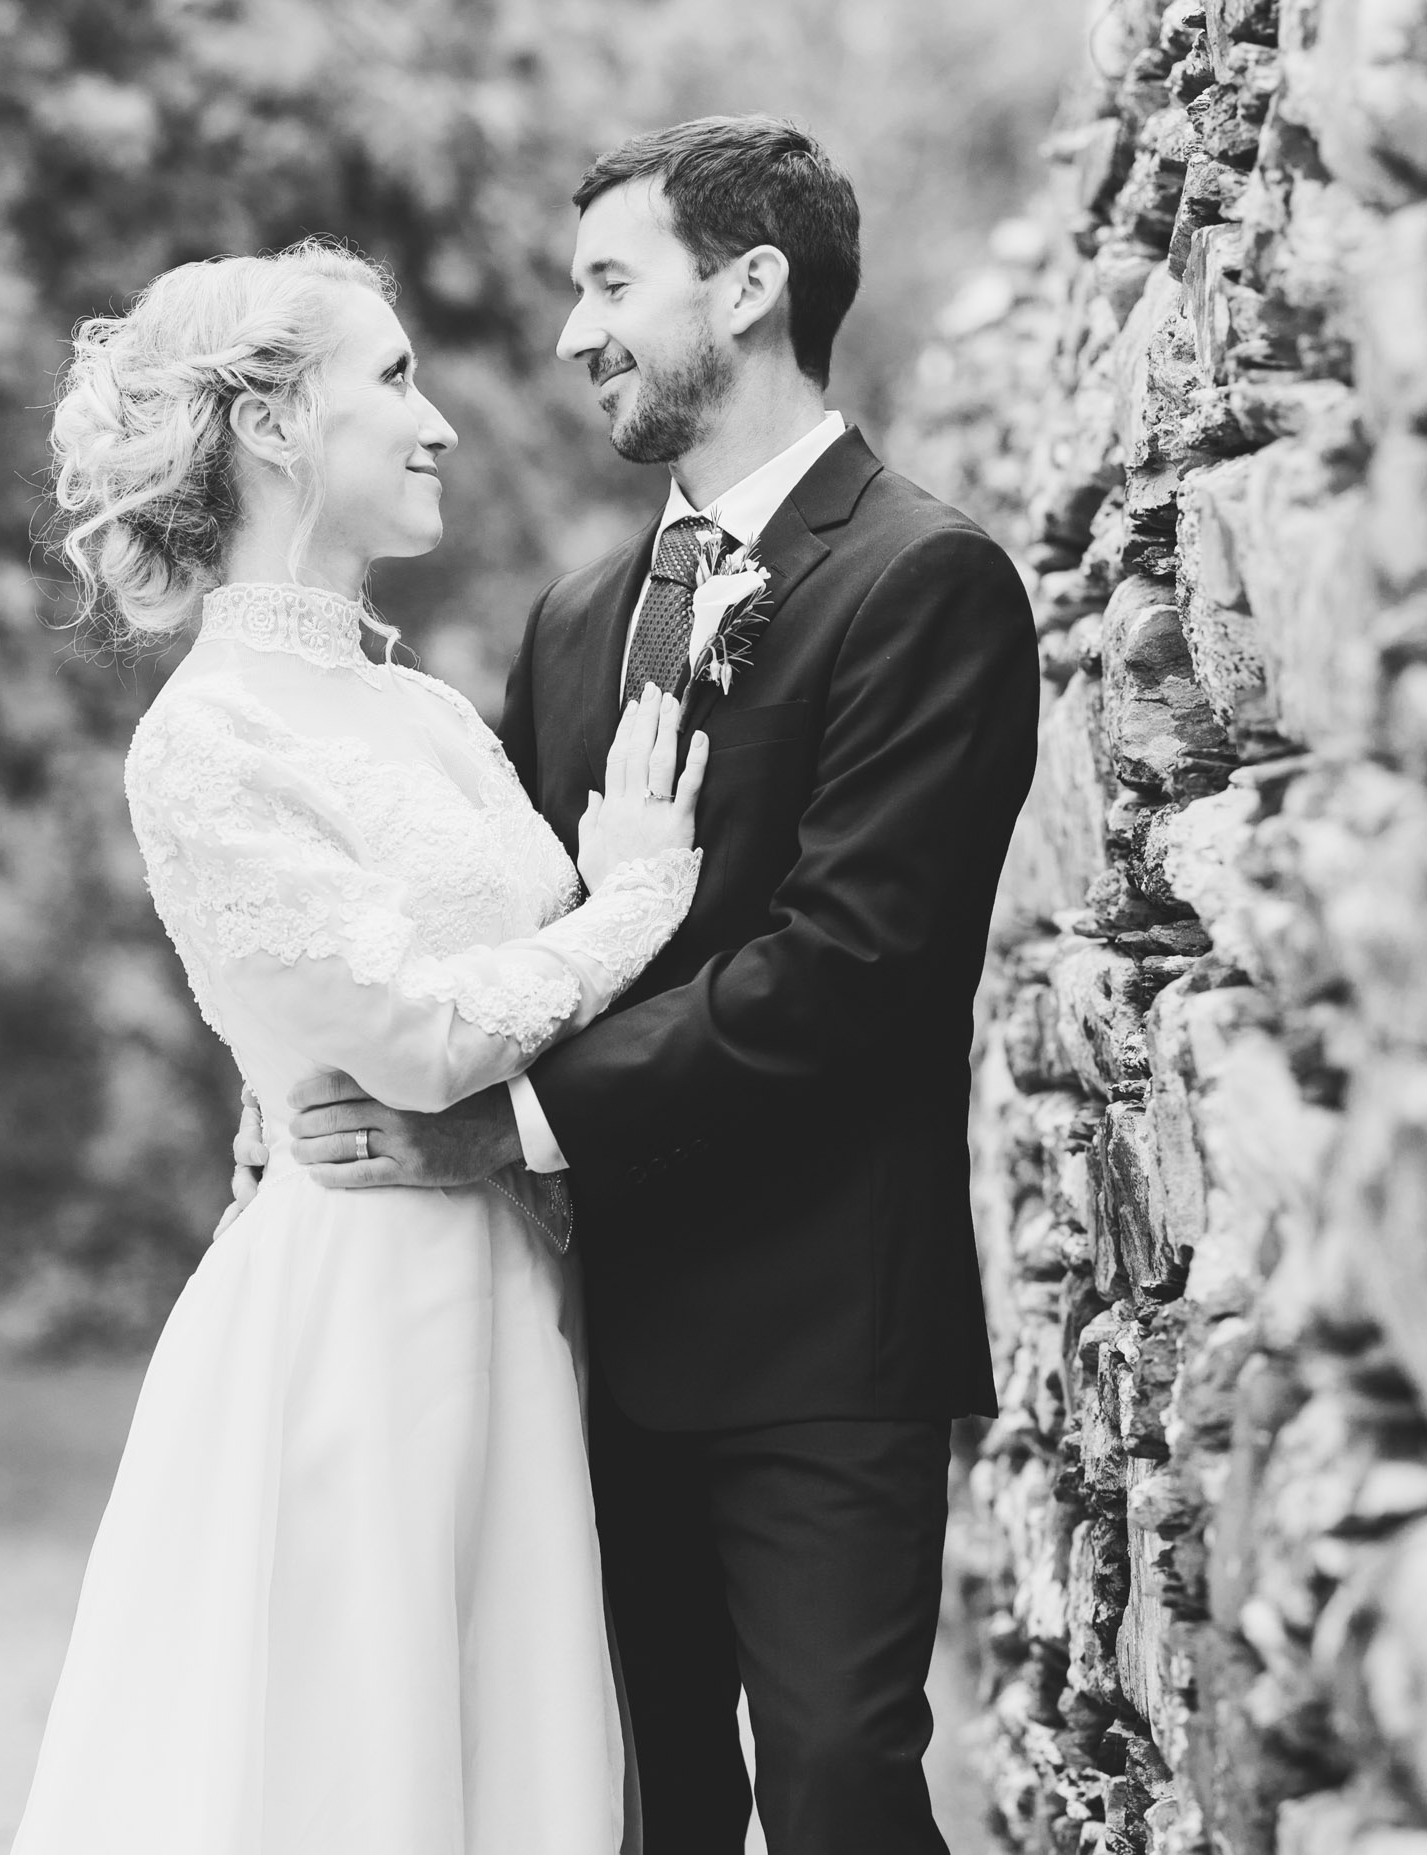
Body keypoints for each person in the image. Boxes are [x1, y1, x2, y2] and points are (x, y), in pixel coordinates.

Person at [258, 118, 1042, 1852]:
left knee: (837, 1785)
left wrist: (505, 1126)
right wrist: (318, 1054)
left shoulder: (928, 581)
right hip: (577, 1332)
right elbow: (499, 934)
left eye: (612, 285)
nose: (573, 335)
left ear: (751, 287)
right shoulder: (575, 618)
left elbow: (853, 969)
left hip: (824, 1331)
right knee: (622, 1805)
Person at [11, 239, 709, 1854]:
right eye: (394, 379)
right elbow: (420, 1037)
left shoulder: (430, 713)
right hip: (363, 1316)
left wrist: (606, 913)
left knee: (515, 1758)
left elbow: (504, 996)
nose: (439, 421)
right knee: (362, 1764)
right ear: (271, 423)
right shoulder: (208, 738)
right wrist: (635, 899)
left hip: (527, 1290)